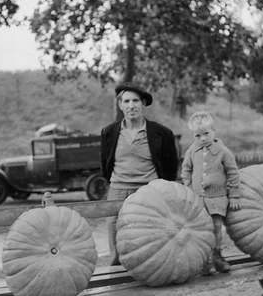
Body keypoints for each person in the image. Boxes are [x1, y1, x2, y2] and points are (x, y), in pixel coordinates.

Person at [100, 82, 179, 266]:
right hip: (118, 190)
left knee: (149, 239)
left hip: (148, 192)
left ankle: (150, 275)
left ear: (143, 104)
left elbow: (170, 167)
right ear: (120, 105)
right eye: (126, 101)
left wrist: (158, 188)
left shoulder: (162, 133)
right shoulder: (109, 133)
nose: (131, 105)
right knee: (116, 236)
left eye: (136, 101)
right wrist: (116, 182)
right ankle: (116, 277)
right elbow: (105, 164)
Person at [181, 111, 241, 275]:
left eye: (206, 133)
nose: (202, 138)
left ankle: (217, 256)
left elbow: (233, 173)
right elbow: (185, 171)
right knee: (201, 229)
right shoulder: (192, 151)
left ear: (214, 130)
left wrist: (234, 195)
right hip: (198, 200)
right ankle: (205, 261)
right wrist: (189, 190)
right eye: (197, 135)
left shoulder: (223, 151)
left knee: (216, 227)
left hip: (217, 199)